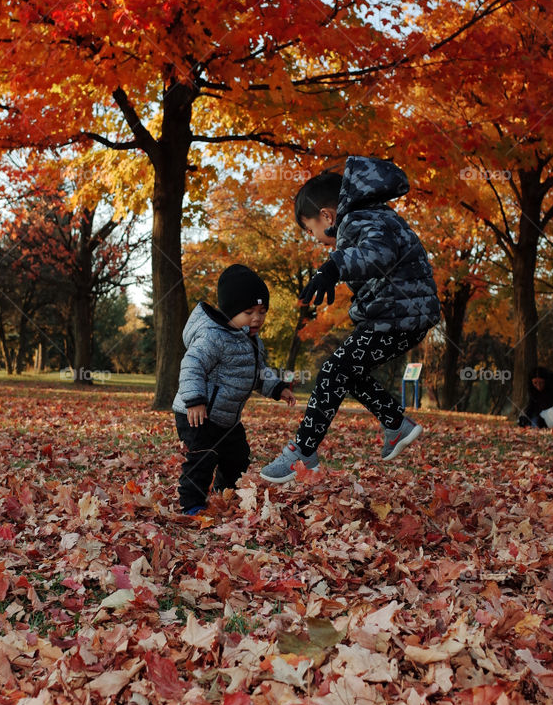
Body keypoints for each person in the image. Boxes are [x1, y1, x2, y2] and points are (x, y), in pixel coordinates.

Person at [260, 156, 440, 483]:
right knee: (347, 374)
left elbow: (379, 252)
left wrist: (332, 267)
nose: (315, 239)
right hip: (403, 316)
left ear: (327, 217)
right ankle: (395, 423)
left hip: (399, 316)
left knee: (332, 371)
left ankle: (303, 450)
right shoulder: (373, 217)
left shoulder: (358, 220)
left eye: (312, 229)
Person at [173, 263, 296, 514]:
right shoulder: (213, 336)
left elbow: (257, 372)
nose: (257, 318)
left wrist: (277, 388)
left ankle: (224, 495)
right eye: (249, 311)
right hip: (199, 413)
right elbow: (192, 365)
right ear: (230, 311)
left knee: (237, 457)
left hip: (228, 418)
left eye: (262, 312)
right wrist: (195, 399)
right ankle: (191, 504)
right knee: (202, 458)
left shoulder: (251, 341)